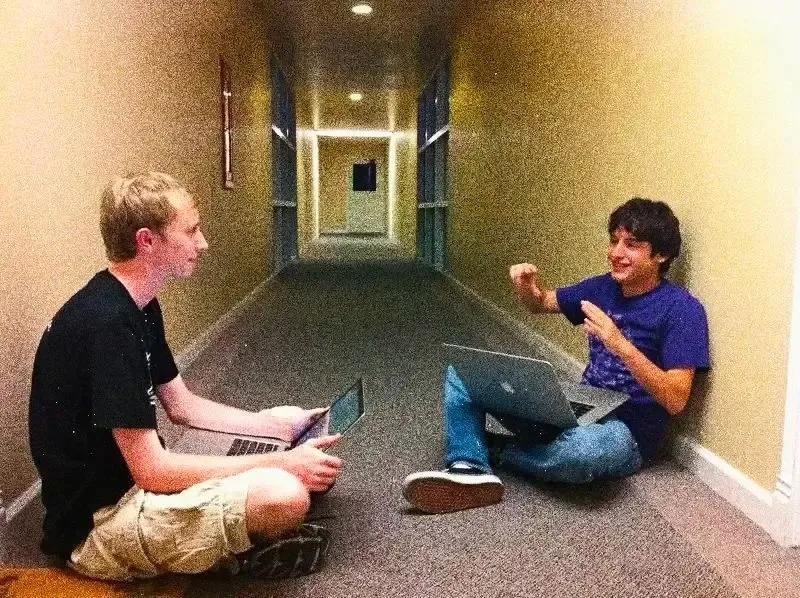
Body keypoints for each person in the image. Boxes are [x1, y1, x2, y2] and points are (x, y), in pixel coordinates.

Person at [28, 172, 343, 581]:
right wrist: (284, 463)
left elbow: (183, 406)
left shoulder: (138, 304)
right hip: (103, 522)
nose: (203, 243)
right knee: (284, 493)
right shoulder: (107, 325)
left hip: (134, 482)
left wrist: (282, 429)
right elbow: (151, 470)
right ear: (147, 241)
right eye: (191, 231)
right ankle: (237, 549)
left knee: (284, 422)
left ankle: (245, 526)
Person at [402, 197, 709, 513]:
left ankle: (493, 448)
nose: (616, 253)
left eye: (631, 245)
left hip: (628, 431)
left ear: (661, 255)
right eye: (614, 241)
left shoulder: (683, 310)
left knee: (580, 454)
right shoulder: (602, 288)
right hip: (579, 404)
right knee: (465, 372)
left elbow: (676, 400)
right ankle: (468, 468)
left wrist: (620, 344)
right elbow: (540, 303)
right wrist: (526, 288)